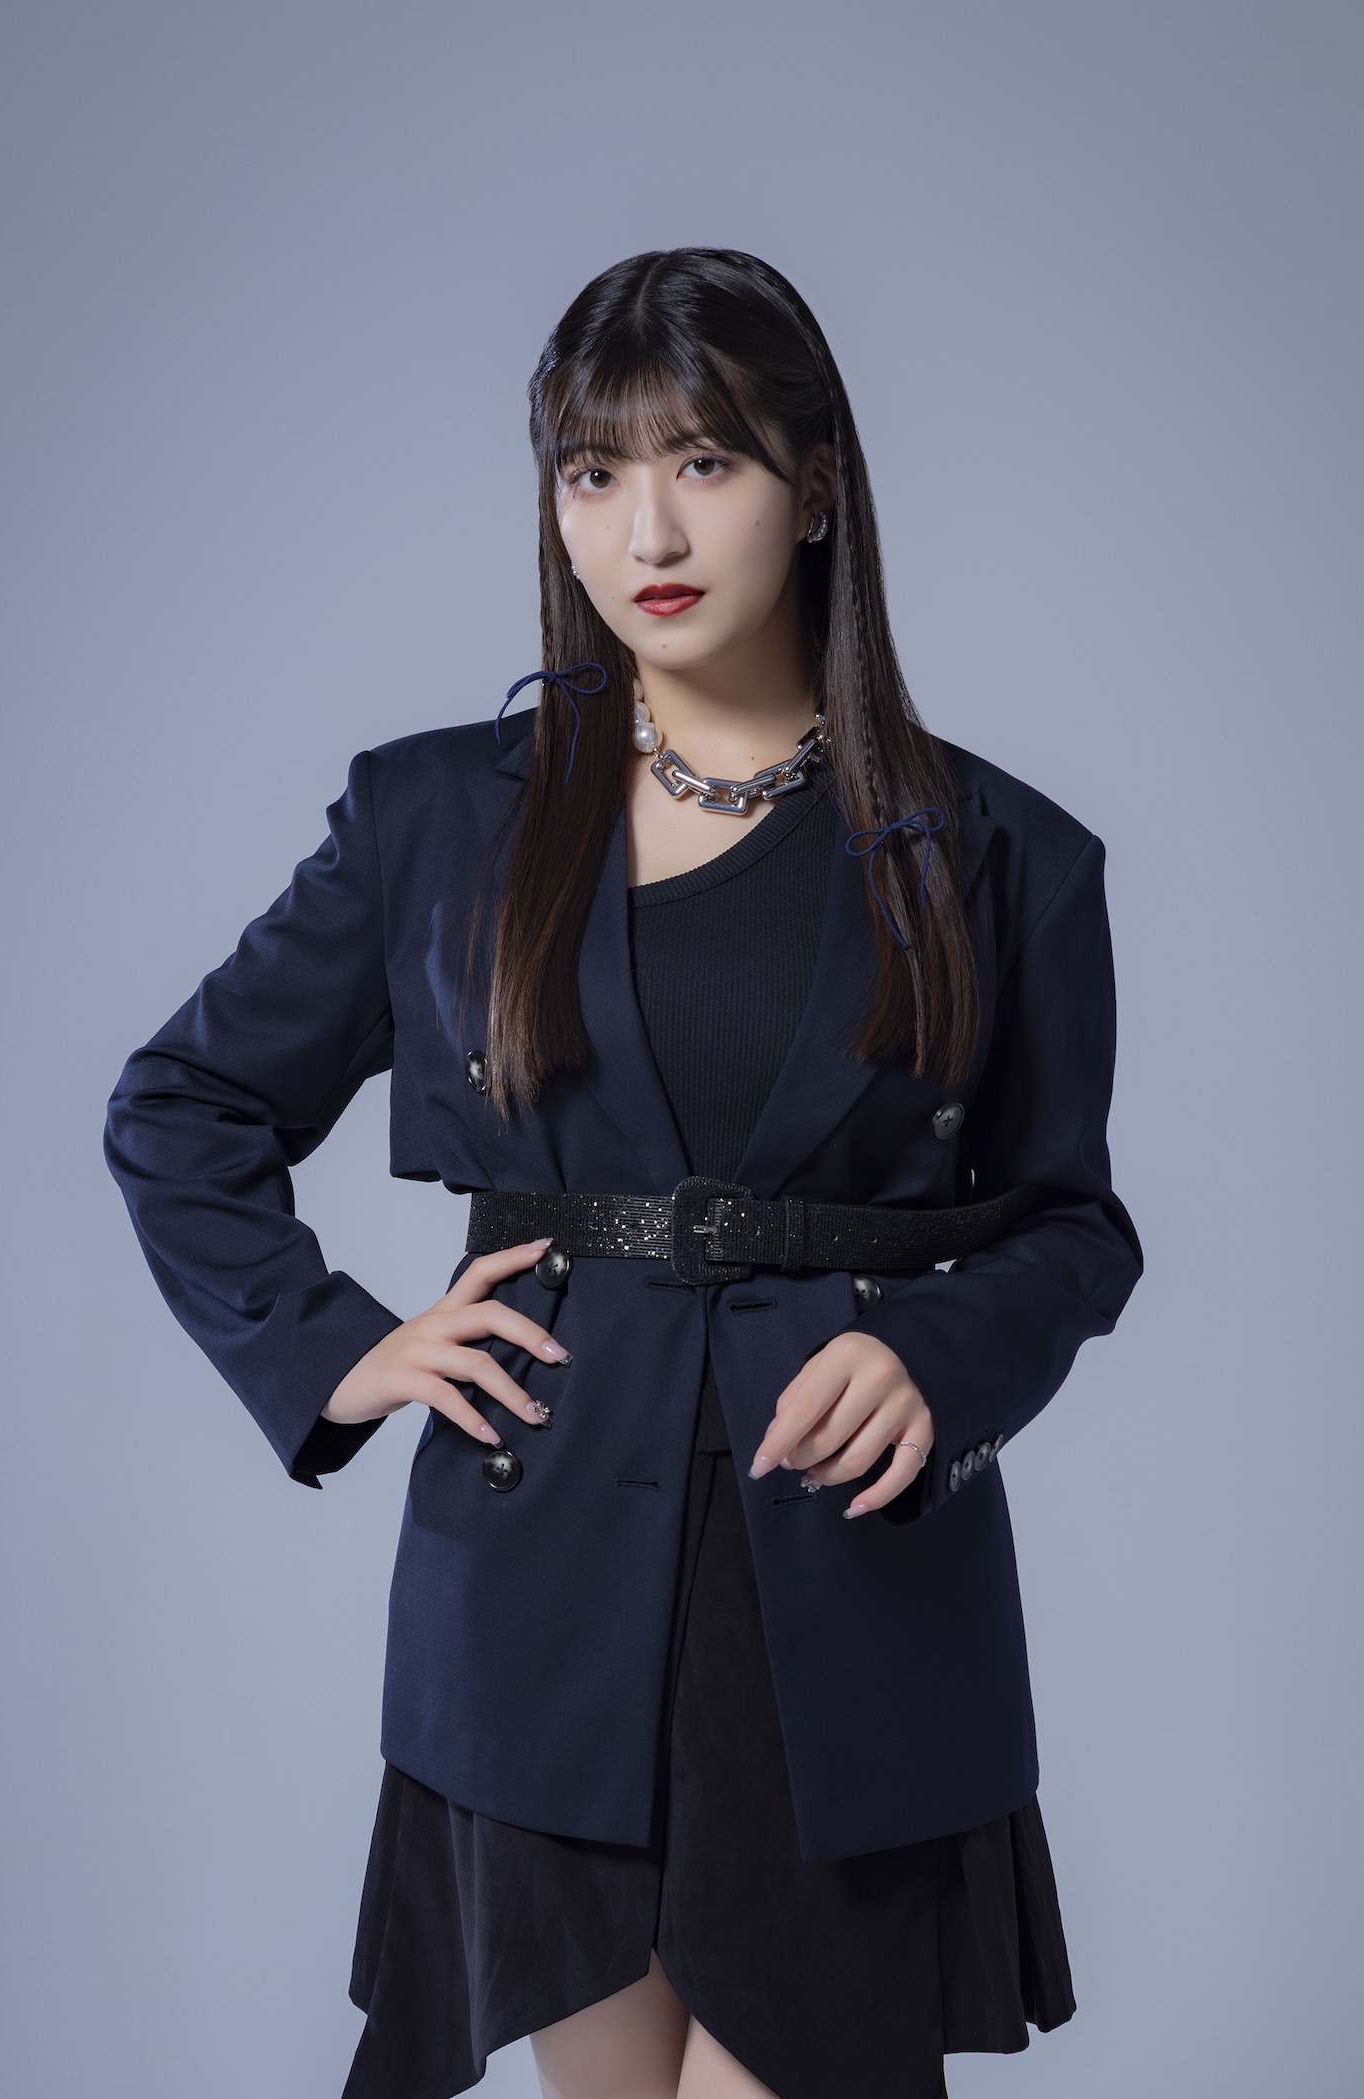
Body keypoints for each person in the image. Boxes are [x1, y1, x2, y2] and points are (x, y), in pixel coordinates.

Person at [106, 248, 1142, 2099]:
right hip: (542, 1583)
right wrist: (334, 1349)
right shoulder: (437, 819)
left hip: (845, 1586)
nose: (645, 529)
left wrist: (941, 1356)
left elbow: (1074, 1226)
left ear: (815, 487)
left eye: (705, 462)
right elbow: (181, 1102)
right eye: (592, 474)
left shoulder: (1001, 855)